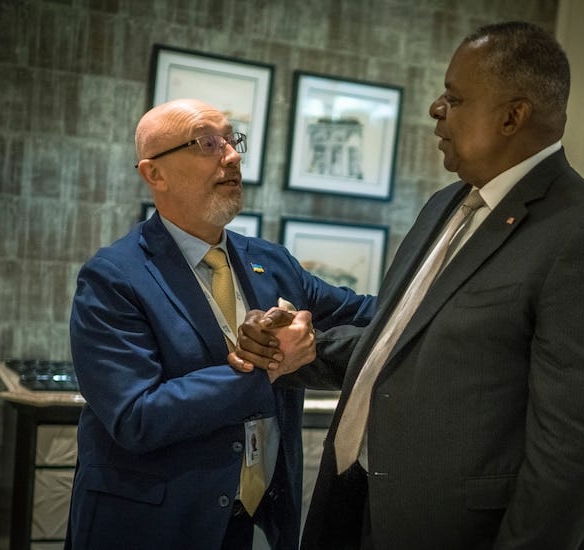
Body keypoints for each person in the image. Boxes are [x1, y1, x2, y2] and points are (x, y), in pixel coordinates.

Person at [232, 22, 584, 550]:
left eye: (454, 98)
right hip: (357, 506)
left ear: (512, 116)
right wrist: (296, 352)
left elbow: (577, 450)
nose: (435, 109)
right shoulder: (445, 207)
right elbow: (400, 344)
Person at [65, 98, 375, 550]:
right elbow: (137, 418)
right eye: (207, 143)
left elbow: (368, 313)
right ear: (154, 174)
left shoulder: (272, 262)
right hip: (151, 525)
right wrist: (270, 366)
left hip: (252, 523)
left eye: (232, 141)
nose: (231, 156)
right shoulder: (114, 276)